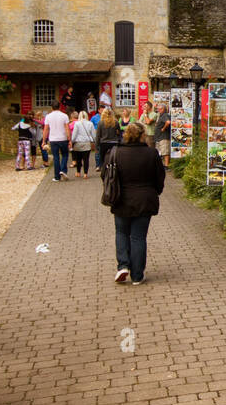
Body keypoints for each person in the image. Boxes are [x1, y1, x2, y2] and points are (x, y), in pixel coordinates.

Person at [108, 122, 165, 286]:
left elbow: (107, 174)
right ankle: (138, 275)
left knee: (121, 233)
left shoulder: (116, 153)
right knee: (138, 237)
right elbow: (159, 177)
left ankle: (123, 265)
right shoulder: (151, 153)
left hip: (120, 198)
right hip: (144, 199)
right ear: (142, 135)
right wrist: (156, 191)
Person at [43, 105, 71, 181]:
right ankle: (63, 170)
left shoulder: (48, 116)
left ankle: (57, 176)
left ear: (52, 108)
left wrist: (44, 141)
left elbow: (46, 129)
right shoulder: (64, 116)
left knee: (56, 157)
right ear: (59, 107)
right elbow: (67, 128)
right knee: (65, 155)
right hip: (63, 138)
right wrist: (69, 139)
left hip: (53, 139)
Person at [70, 110, 96, 178]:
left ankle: (78, 172)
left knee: (78, 159)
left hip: (78, 143)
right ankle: (85, 174)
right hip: (87, 143)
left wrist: (71, 142)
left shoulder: (77, 124)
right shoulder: (90, 123)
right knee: (86, 159)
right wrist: (95, 141)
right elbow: (94, 135)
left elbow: (74, 134)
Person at [155, 102, 171, 167]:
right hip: (160, 137)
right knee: (162, 152)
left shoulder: (165, 115)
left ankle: (166, 166)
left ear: (163, 109)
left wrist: (163, 128)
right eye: (158, 109)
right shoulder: (161, 115)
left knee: (165, 152)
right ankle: (164, 165)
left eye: (159, 109)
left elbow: (168, 122)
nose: (158, 110)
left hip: (164, 137)